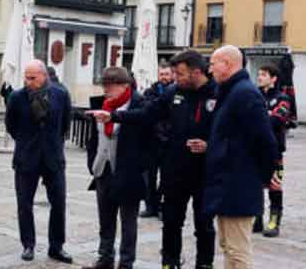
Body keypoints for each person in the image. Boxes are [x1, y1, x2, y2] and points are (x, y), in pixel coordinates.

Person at [90, 51, 217, 269]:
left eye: (180, 74)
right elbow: (146, 114)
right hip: (175, 170)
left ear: (196, 72)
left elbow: (232, 133)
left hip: (205, 172)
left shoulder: (218, 94)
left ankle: (204, 265)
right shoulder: (172, 92)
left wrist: (210, 145)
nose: (175, 78)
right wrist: (115, 116)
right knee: (171, 222)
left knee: (203, 224)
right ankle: (169, 263)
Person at [205, 46, 278, 269]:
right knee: (228, 247)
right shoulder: (229, 91)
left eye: (213, 63)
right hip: (226, 183)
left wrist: (265, 176)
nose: (210, 69)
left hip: (239, 184)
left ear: (227, 64)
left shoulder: (245, 93)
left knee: (238, 252)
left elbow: (266, 141)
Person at [5, 60, 74, 264]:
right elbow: (11, 125)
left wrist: (51, 144)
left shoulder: (61, 95)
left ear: (44, 76)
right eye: (26, 77)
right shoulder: (17, 97)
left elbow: (65, 125)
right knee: (24, 204)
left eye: (32, 77)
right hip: (26, 158)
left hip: (53, 158)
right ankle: (28, 244)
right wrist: (27, 143)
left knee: (59, 203)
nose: (28, 81)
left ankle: (57, 246)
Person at [81, 67, 149, 269]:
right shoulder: (100, 104)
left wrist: (139, 167)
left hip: (128, 173)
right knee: (105, 219)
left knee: (128, 222)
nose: (106, 89)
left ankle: (126, 263)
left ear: (125, 86)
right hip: (103, 170)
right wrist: (93, 163)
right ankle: (105, 258)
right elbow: (94, 138)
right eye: (104, 85)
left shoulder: (141, 105)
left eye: (110, 85)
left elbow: (150, 141)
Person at [255, 64, 293, 237]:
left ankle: (274, 221)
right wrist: (267, 114)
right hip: (255, 150)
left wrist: (263, 116)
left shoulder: (282, 98)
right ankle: (256, 219)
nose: (259, 77)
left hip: (275, 151)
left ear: (273, 78)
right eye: (259, 74)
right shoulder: (254, 96)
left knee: (274, 186)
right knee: (254, 186)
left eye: (263, 74)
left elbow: (277, 120)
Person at [140, 63, 175, 219]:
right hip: (151, 141)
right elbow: (148, 111)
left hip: (169, 142)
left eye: (167, 74)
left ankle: (162, 206)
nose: (164, 77)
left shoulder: (177, 93)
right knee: (149, 177)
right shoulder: (150, 92)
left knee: (167, 177)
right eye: (161, 74)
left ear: (172, 75)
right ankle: (150, 206)